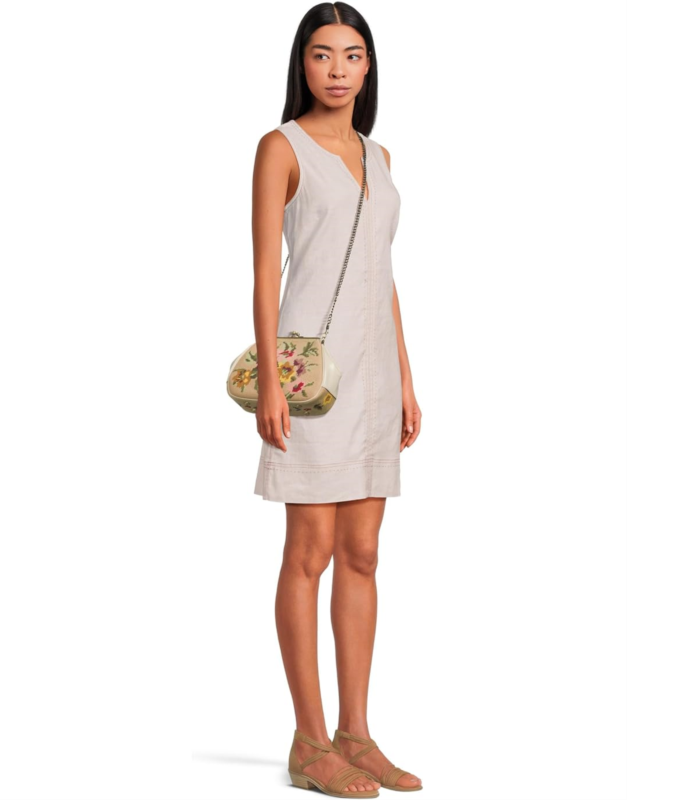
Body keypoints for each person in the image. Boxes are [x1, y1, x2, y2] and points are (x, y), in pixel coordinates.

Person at [250, 4, 422, 796]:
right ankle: (309, 740)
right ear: (304, 64)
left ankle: (356, 733)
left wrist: (407, 378)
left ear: (368, 66)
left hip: (375, 375)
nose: (338, 70)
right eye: (322, 55)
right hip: (312, 381)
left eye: (352, 55)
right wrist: (272, 383)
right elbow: (265, 272)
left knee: (363, 554)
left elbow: (382, 275)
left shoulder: (380, 156)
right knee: (309, 551)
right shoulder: (280, 147)